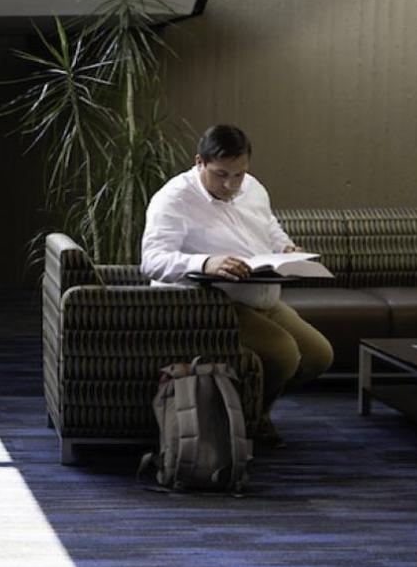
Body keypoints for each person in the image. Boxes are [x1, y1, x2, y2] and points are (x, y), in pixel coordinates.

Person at [140, 124, 333, 446]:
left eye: (239, 175)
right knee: (283, 354)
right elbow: (152, 260)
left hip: (259, 294)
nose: (230, 185)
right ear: (199, 161)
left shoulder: (253, 187)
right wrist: (204, 262)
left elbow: (270, 227)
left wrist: (285, 247)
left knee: (319, 356)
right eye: (220, 174)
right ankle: (248, 423)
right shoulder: (173, 198)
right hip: (204, 299)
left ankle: (251, 414)